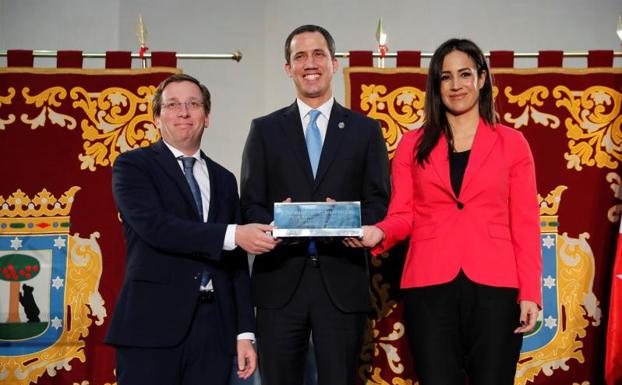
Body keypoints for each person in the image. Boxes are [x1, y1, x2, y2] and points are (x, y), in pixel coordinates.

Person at [350, 38, 542, 385]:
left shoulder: (513, 144)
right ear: (436, 85)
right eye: (446, 76)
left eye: (465, 74)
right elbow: (403, 214)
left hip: (496, 286)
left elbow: (526, 223)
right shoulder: (413, 144)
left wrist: (530, 291)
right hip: (429, 285)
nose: (456, 85)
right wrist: (378, 232)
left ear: (482, 78)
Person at [240, 25, 390, 385]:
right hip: (280, 284)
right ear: (288, 68)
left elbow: (379, 202)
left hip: (341, 281)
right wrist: (279, 222)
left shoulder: (365, 131)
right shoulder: (264, 130)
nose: (310, 63)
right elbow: (250, 205)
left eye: (319, 54)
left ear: (334, 64)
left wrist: (350, 223)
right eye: (300, 56)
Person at [104, 74, 278, 385]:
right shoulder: (133, 166)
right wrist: (233, 234)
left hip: (215, 329)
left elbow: (235, 261)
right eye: (172, 105)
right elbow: (155, 227)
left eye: (193, 104)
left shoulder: (224, 179)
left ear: (206, 117)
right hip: (151, 327)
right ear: (157, 118)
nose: (184, 112)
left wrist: (244, 332)